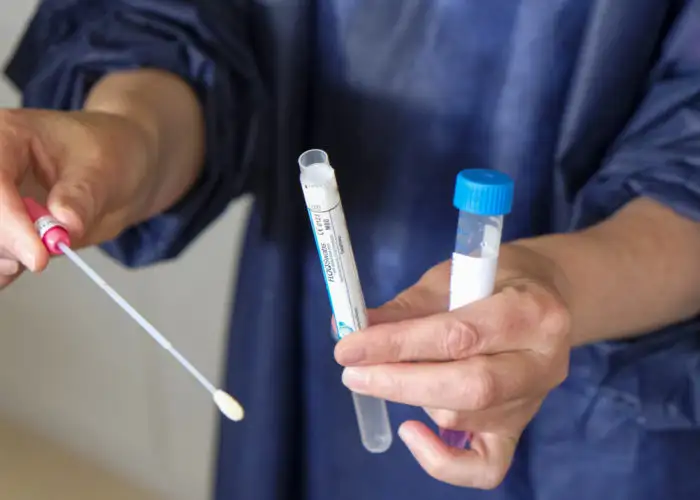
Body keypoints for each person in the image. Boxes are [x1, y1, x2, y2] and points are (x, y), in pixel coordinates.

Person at [1, 1, 700, 499]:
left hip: (615, 399)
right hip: (304, 330)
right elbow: (187, 22)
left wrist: (562, 285)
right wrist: (124, 137)